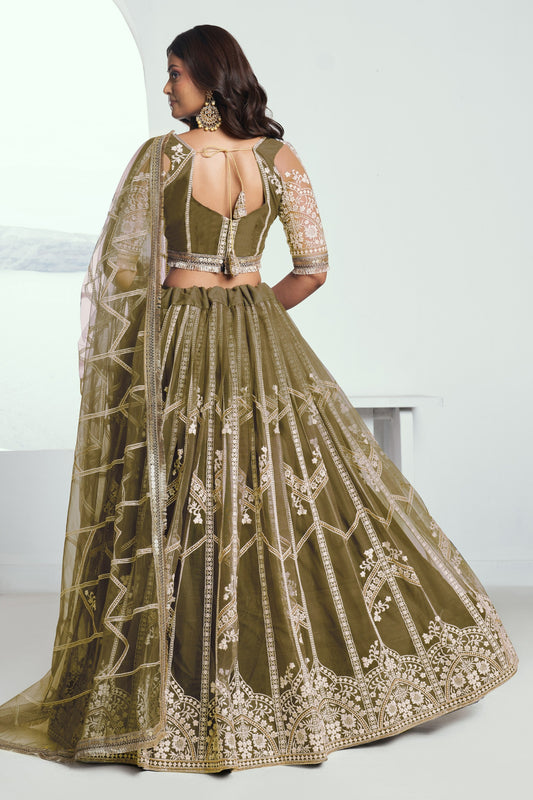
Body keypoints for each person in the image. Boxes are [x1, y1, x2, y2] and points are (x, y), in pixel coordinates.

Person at [0, 24, 518, 773]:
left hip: (179, 333)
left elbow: (124, 274)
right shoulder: (280, 158)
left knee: (172, 486)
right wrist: (252, 314)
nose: (166, 88)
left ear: (209, 79)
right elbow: (313, 268)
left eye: (176, 74)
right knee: (277, 486)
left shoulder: (162, 157)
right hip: (258, 332)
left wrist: (148, 326)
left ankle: (171, 681)